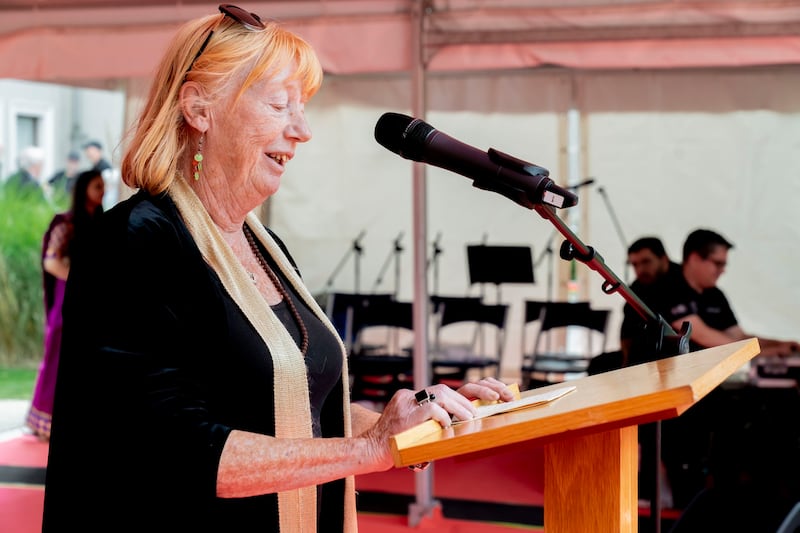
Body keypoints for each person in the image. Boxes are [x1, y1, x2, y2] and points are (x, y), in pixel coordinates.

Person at [42, 5, 515, 532]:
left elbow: (305, 415)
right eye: (279, 104)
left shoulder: (264, 245)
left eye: (303, 107)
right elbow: (173, 450)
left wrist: (412, 421)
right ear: (199, 108)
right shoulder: (132, 243)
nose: (303, 130)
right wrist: (370, 448)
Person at [25, 169, 105, 441]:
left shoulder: (104, 223)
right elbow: (51, 261)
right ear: (83, 189)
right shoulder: (66, 224)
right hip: (68, 299)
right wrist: (82, 279)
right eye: (97, 186)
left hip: (93, 304)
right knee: (58, 358)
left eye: (103, 186)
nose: (102, 191)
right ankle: (45, 420)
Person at [662, 228, 799, 356]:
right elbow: (704, 336)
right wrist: (770, 351)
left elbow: (739, 337)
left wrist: (779, 344)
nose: (723, 270)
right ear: (694, 258)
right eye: (718, 263)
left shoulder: (715, 295)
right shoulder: (667, 288)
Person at [619, 236, 682, 366]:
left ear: (664, 259)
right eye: (635, 265)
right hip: (644, 355)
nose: (640, 270)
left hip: (683, 353)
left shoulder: (686, 280)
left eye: (646, 262)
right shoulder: (637, 288)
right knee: (600, 364)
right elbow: (626, 334)